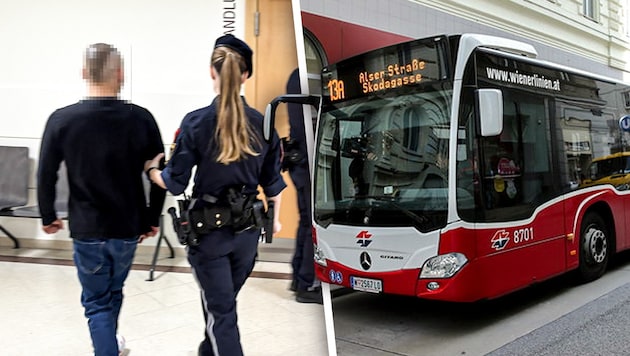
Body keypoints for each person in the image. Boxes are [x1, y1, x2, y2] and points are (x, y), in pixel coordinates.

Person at [144, 34, 285, 356]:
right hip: (247, 237)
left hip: (209, 238)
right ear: (246, 75)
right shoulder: (263, 126)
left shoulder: (196, 123)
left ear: (212, 71)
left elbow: (174, 183)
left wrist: (152, 171)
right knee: (222, 308)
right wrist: (273, 223)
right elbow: (273, 185)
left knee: (221, 315)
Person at [37, 43, 166, 356]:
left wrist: (48, 215)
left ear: (84, 73)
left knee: (96, 303)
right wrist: (151, 218)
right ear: (120, 74)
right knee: (114, 292)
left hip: (87, 229)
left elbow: (46, 173)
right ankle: (110, 343)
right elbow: (160, 169)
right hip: (127, 228)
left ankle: (106, 346)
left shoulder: (62, 120)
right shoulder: (141, 118)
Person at [283, 68, 322, 304]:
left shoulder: (295, 77)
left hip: (298, 161)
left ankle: (299, 278)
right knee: (311, 223)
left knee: (305, 220)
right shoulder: (305, 77)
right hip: (307, 161)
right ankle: (308, 283)